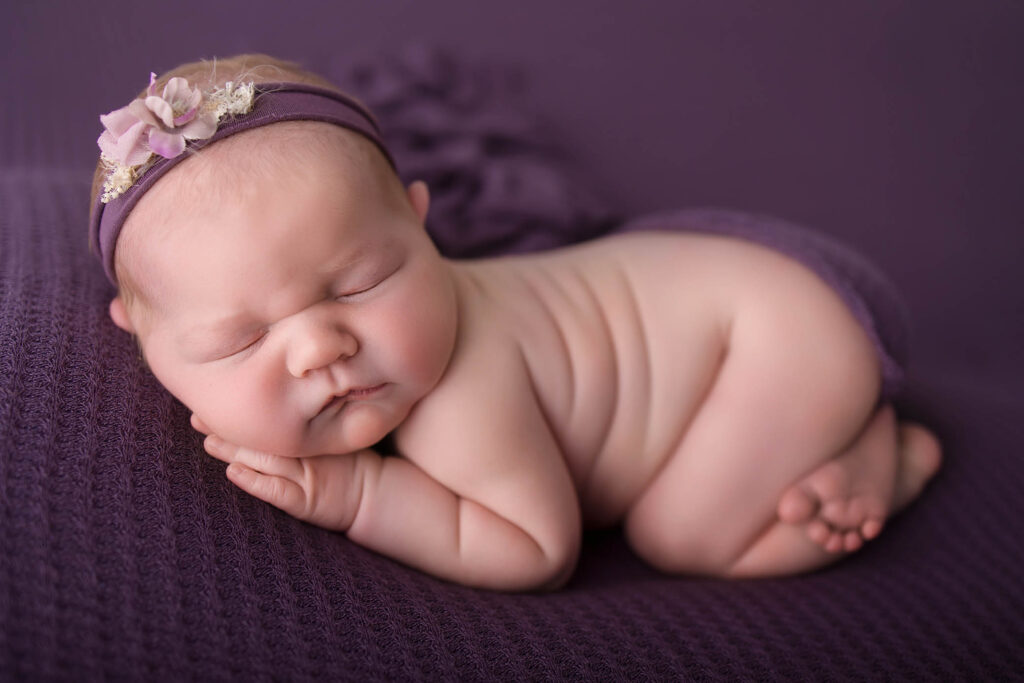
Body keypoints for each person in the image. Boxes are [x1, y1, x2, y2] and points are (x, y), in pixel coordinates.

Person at [89, 54, 942, 591]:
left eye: (361, 283)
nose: (320, 347)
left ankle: (888, 454)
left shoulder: (461, 388)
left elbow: (537, 550)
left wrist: (359, 493)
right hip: (720, 282)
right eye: (239, 340)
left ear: (422, 224)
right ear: (136, 331)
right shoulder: (389, 343)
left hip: (769, 338)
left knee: (683, 532)